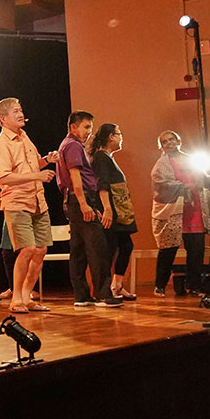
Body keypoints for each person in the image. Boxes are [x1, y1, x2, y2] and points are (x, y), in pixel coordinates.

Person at [0, 98, 57, 314]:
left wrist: (47, 159)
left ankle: (27, 296)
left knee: (40, 250)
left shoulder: (24, 137)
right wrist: (37, 175)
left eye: (21, 110)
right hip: (17, 202)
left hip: (38, 201)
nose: (21, 114)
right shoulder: (1, 144)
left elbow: (33, 164)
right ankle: (16, 297)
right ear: (3, 118)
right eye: (16, 111)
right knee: (27, 249)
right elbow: (5, 178)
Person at [56, 111, 123, 308]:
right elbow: (75, 176)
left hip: (75, 200)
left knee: (78, 250)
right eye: (86, 127)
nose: (88, 132)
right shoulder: (73, 146)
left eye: (90, 129)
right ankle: (103, 294)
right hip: (79, 198)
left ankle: (82, 295)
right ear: (73, 127)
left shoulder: (67, 145)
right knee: (97, 248)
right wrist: (85, 204)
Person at [151, 130, 206, 297]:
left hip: (193, 208)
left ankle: (194, 286)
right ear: (161, 146)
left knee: (196, 250)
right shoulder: (161, 165)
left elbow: (203, 179)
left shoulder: (191, 159)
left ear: (178, 141)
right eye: (165, 141)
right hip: (173, 209)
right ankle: (160, 285)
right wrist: (183, 187)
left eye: (172, 139)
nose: (170, 143)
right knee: (168, 249)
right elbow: (159, 183)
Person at [89, 123, 138, 300]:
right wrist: (108, 209)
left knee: (125, 245)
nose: (121, 137)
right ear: (111, 136)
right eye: (119, 134)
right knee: (108, 250)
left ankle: (116, 285)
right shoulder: (101, 157)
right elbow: (102, 184)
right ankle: (102, 290)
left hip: (119, 210)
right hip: (111, 210)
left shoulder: (107, 157)